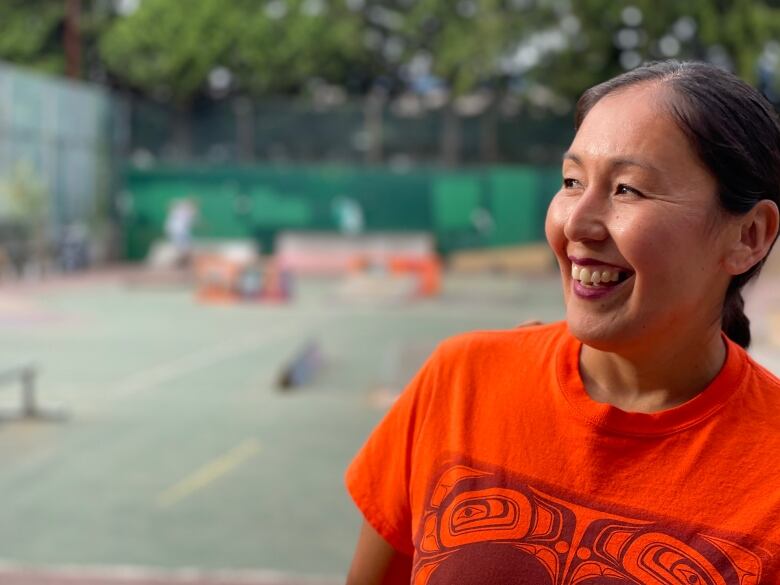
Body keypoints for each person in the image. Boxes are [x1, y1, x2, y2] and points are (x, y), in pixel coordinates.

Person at [344, 60, 780, 584]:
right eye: (572, 181)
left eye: (627, 190)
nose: (575, 220)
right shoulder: (461, 381)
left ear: (749, 235)